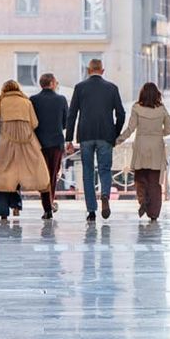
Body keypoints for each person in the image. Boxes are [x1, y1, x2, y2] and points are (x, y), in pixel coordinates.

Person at [65, 58, 126, 221]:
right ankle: (105, 195)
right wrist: (115, 132)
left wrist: (69, 139)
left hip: (85, 135)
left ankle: (91, 210)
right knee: (105, 169)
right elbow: (121, 114)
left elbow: (71, 115)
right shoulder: (112, 88)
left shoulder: (79, 88)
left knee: (87, 172)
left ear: (88, 70)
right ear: (102, 71)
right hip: (106, 135)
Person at [0, 79, 48, 221]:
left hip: (4, 143)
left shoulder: (0, 101)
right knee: (18, 175)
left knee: (1, 177)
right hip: (26, 144)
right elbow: (35, 123)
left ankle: (2, 213)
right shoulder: (26, 102)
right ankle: (16, 205)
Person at [118, 82, 170, 221]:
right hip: (156, 147)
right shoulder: (161, 109)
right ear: (157, 94)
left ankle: (142, 200)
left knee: (140, 178)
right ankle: (154, 214)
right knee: (155, 182)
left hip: (141, 146)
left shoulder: (136, 108)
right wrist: (158, 133)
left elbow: (130, 128)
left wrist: (118, 140)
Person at [29, 73, 69, 219]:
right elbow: (66, 122)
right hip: (56, 143)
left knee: (42, 175)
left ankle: (48, 205)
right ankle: (49, 204)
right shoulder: (61, 99)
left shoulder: (33, 100)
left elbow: (31, 121)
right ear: (52, 83)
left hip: (39, 144)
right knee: (52, 175)